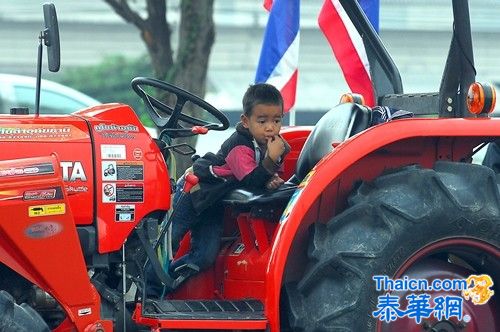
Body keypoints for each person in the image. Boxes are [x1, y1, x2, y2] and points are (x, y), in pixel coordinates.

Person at [167, 83, 291, 289]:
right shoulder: (239, 145)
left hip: (214, 202)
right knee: (169, 242)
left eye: (276, 120)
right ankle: (149, 290)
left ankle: (169, 283)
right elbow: (250, 179)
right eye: (262, 121)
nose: (270, 127)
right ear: (246, 121)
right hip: (194, 193)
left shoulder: (272, 144)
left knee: (205, 255)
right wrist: (271, 161)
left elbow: (267, 173)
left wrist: (272, 177)